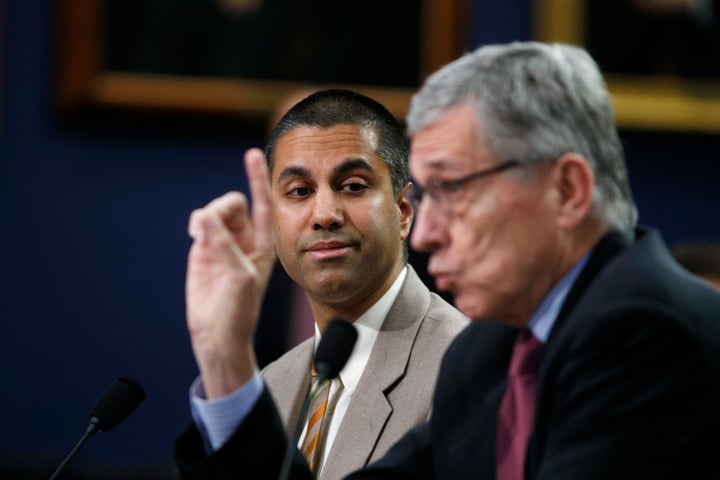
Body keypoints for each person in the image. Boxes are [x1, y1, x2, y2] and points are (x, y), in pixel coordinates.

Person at [176, 42, 720, 479]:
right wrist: (225, 354)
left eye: (452, 189)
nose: (428, 232)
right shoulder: (492, 350)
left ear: (567, 189)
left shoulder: (644, 333)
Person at [177, 89, 468, 479]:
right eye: (299, 192)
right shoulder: (269, 385)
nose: (325, 215)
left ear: (403, 212)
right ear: (273, 221)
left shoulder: (467, 368)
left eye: (352, 186)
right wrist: (221, 353)